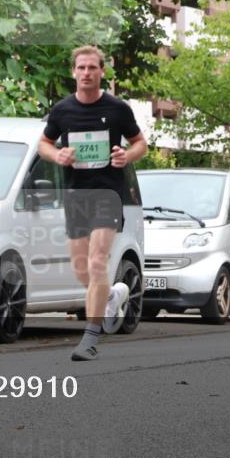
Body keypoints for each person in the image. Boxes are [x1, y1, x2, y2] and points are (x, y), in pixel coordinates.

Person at [39, 45, 148, 361]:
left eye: (92, 68)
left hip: (108, 193)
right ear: (73, 72)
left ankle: (89, 338)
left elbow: (140, 142)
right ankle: (112, 294)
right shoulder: (62, 111)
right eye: (81, 68)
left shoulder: (117, 109)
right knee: (80, 267)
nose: (87, 73)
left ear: (102, 72)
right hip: (76, 194)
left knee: (98, 261)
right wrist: (57, 154)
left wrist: (126, 156)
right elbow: (44, 144)